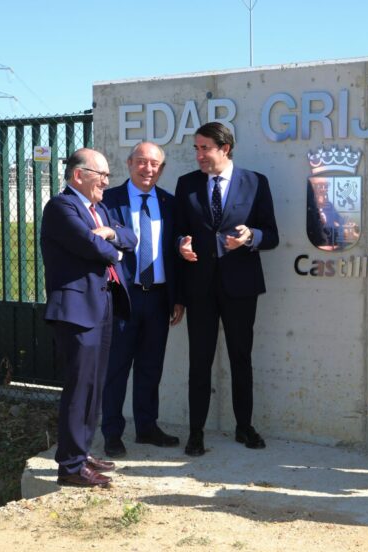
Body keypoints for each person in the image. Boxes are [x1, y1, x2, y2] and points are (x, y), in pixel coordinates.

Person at [175, 122, 279, 456]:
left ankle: (244, 427)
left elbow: (271, 234)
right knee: (199, 361)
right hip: (200, 287)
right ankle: (196, 433)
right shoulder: (187, 184)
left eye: (205, 148)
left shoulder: (254, 182)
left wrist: (251, 238)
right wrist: (181, 245)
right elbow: (177, 232)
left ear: (225, 148)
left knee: (240, 358)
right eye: (196, 148)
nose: (199, 155)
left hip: (241, 286)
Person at [40, 148, 137, 487]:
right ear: (79, 175)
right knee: (79, 387)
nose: (107, 182)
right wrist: (114, 249)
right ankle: (70, 467)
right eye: (102, 175)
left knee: (94, 385)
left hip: (103, 305)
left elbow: (130, 236)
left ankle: (80, 451)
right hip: (77, 311)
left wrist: (111, 235)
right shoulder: (61, 207)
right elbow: (91, 248)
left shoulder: (99, 209)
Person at [101, 141, 184, 458]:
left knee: (151, 368)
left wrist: (178, 298)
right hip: (123, 298)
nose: (148, 169)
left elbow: (174, 252)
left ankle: (147, 428)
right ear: (129, 162)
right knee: (116, 368)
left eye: (155, 164)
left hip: (160, 298)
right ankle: (112, 432)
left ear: (162, 169)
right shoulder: (109, 201)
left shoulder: (169, 203)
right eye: (142, 162)